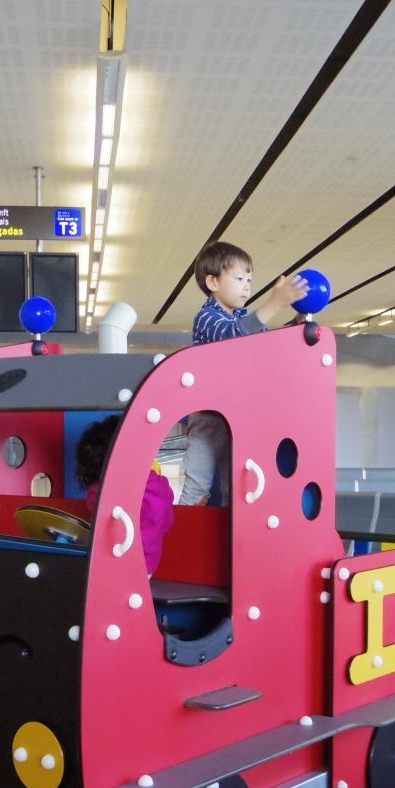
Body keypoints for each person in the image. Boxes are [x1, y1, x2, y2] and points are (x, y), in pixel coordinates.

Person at [181, 241, 309, 505]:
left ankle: (231, 531)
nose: (247, 286)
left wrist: (297, 323)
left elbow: (265, 341)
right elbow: (233, 335)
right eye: (239, 279)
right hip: (209, 417)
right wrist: (275, 302)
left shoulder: (241, 319)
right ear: (213, 282)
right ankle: (186, 527)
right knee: (197, 487)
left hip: (237, 416)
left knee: (237, 489)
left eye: (249, 279)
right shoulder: (206, 318)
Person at [76, 416, 174, 576]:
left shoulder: (101, 491)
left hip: (113, 561)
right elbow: (167, 522)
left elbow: (98, 525)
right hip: (147, 566)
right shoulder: (158, 485)